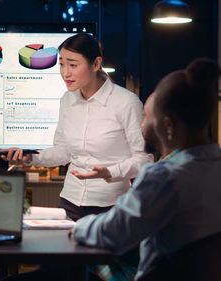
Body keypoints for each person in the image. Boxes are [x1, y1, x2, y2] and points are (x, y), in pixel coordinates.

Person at [72, 58, 221, 279]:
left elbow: (114, 233)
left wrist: (78, 226)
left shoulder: (165, 177)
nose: (143, 124)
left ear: (167, 124)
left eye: (147, 117)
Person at [3, 34, 152, 221]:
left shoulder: (126, 102)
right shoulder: (67, 100)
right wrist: (30, 157)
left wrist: (110, 172)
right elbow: (64, 151)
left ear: (96, 64)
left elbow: (144, 159)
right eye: (61, 64)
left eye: (73, 65)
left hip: (112, 205)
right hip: (70, 202)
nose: (65, 73)